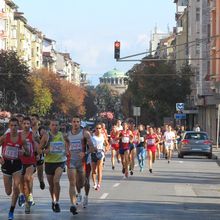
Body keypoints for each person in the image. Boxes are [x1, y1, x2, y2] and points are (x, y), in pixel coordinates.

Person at [0, 117, 30, 220]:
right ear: (9, 126)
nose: (13, 127)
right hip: (6, 164)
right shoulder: (4, 137)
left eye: (15, 125)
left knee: (16, 187)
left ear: (18, 126)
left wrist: (24, 153)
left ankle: (11, 211)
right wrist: (0, 158)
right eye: (11, 125)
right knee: (8, 192)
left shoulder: (22, 139)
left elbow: (28, 153)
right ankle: (18, 195)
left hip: (17, 164)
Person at [66, 116, 94, 215]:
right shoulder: (67, 135)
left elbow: (92, 148)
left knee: (82, 183)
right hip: (71, 161)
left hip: (82, 162)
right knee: (72, 183)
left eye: (77, 122)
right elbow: (65, 146)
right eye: (74, 122)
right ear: (71, 123)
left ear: (80, 123)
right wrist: (65, 152)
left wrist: (85, 153)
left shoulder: (85, 134)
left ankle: (85, 195)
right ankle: (73, 204)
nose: (76, 123)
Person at [39, 119, 68, 213]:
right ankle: (53, 200)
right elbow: (39, 149)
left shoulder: (63, 135)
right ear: (50, 126)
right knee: (51, 185)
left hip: (60, 162)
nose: (55, 126)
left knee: (56, 181)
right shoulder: (46, 136)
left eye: (56, 125)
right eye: (53, 125)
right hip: (49, 163)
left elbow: (68, 143)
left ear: (59, 126)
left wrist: (67, 151)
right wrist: (44, 151)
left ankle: (58, 202)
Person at [19, 117, 38, 214]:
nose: (26, 125)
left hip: (31, 162)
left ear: (30, 125)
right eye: (24, 123)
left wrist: (38, 154)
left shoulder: (33, 134)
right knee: (22, 184)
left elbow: (39, 146)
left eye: (28, 123)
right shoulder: (18, 135)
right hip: (20, 162)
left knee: (27, 178)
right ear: (21, 124)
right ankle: (26, 199)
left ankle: (29, 198)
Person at [91, 123, 109, 190]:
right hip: (93, 154)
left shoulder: (103, 136)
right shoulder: (92, 136)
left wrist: (106, 149)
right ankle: (94, 183)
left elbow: (107, 144)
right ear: (95, 129)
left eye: (99, 128)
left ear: (101, 129)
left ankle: (98, 184)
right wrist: (92, 148)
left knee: (99, 169)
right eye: (97, 128)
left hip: (100, 153)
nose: (98, 129)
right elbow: (89, 145)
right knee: (93, 170)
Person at [31, 114, 45, 190]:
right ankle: (29, 191)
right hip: (30, 153)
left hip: (39, 153)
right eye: (31, 119)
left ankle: (41, 181)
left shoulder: (41, 130)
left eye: (33, 119)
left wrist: (38, 139)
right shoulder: (28, 129)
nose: (31, 120)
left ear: (37, 120)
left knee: (40, 171)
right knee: (30, 173)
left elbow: (45, 143)